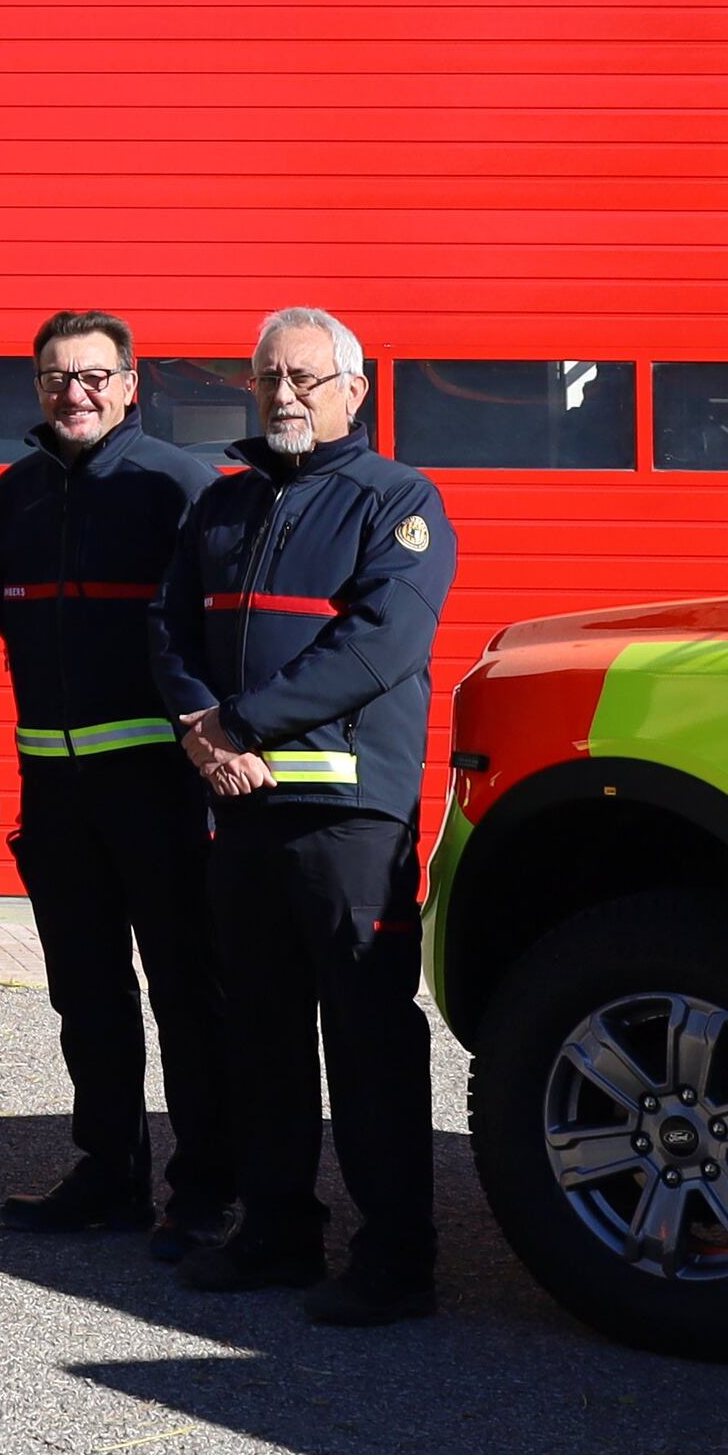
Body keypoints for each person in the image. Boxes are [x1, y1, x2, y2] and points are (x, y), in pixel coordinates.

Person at [163, 305, 457, 1327]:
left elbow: (380, 643)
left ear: (352, 389)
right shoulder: (222, 504)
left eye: (302, 376)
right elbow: (167, 629)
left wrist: (235, 722)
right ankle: (277, 1232)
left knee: (367, 1036)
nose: (282, 393)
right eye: (266, 377)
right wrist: (198, 730)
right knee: (262, 1033)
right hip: (240, 814)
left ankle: (394, 1260)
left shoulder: (397, 501)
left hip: (347, 819)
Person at [0, 308, 233, 1244]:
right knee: (85, 990)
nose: (73, 393)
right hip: (54, 778)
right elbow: (7, 612)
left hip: (158, 781)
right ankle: (109, 1171)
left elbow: (208, 629)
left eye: (92, 376)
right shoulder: (15, 493)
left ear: (131, 385)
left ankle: (206, 1185)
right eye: (55, 376)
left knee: (186, 988)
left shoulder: (181, 484)